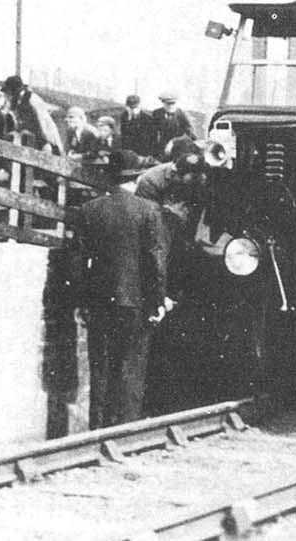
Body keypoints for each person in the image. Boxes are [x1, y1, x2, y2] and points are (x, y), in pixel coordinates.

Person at [70, 149, 172, 428]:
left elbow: (78, 262)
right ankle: (125, 431)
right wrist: (157, 302)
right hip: (135, 303)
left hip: (99, 301)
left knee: (100, 368)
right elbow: (155, 262)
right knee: (131, 368)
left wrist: (81, 303)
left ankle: (98, 429)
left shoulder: (89, 210)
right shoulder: (148, 210)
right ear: (136, 177)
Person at [2, 74, 64, 154]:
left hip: (42, 137)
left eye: (10, 92)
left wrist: (47, 141)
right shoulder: (17, 102)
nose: (9, 95)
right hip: (29, 138)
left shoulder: (32, 98)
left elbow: (43, 122)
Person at [119, 95, 158, 159]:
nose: (132, 110)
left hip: (143, 150)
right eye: (130, 108)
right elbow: (124, 134)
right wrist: (129, 119)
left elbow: (153, 137)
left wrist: (151, 153)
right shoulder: (124, 116)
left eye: (134, 108)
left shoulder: (148, 118)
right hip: (129, 151)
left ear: (139, 106)